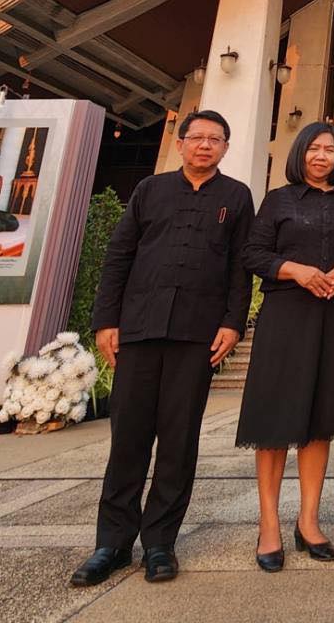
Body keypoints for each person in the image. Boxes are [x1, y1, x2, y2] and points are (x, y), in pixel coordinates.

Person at [71, 109, 251, 588]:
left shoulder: (236, 197)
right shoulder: (151, 191)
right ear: (181, 143)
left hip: (197, 337)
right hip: (140, 331)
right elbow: (119, 255)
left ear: (226, 148)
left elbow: (239, 268)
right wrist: (106, 321)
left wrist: (233, 324)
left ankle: (158, 544)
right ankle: (111, 542)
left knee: (178, 441)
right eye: (198, 138)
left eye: (216, 139)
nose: (205, 146)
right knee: (128, 438)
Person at [235, 122, 334, 571]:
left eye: (329, 149)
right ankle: (269, 523)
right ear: (300, 154)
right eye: (313, 148)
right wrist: (295, 270)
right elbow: (253, 253)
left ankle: (308, 521)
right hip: (286, 316)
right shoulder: (279, 199)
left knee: (320, 421)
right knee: (274, 422)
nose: (321, 156)